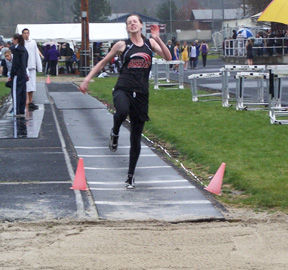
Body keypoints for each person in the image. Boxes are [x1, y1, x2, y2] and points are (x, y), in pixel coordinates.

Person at [79, 14, 171, 189]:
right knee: (121, 111)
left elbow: (168, 57)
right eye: (129, 22)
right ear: (127, 28)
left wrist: (158, 39)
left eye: (135, 21)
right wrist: (87, 79)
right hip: (123, 88)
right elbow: (102, 62)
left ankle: (130, 175)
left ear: (141, 25)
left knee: (136, 138)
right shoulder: (122, 45)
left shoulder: (150, 44)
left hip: (142, 93)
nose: (132, 24)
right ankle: (114, 133)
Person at [22, 28, 42, 110]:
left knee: (32, 85)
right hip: (25, 66)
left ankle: (31, 101)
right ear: (22, 34)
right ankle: (26, 101)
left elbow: (36, 54)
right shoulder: (22, 43)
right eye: (24, 33)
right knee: (26, 85)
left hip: (32, 65)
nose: (26, 34)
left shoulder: (33, 43)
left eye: (27, 33)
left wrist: (39, 66)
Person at [9, 34, 29, 116]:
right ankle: (21, 110)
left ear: (16, 40)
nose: (12, 41)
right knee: (22, 92)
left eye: (13, 40)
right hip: (23, 73)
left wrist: (11, 74)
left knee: (16, 92)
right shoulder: (24, 50)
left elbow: (15, 63)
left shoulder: (17, 51)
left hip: (17, 74)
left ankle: (16, 110)